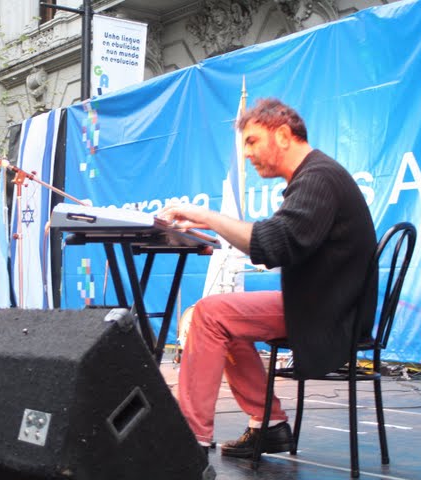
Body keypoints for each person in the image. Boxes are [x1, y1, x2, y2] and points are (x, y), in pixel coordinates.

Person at [159, 98, 377, 458]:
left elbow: (273, 244)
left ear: (283, 135)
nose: (247, 154)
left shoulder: (318, 178)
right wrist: (214, 225)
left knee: (209, 314)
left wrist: (207, 216)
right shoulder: (315, 175)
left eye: (252, 142)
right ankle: (269, 425)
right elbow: (278, 243)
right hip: (325, 305)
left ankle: (189, 440)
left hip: (330, 315)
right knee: (220, 319)